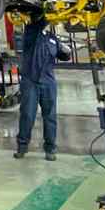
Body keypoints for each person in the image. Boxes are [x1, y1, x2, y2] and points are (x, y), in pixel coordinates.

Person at [14, 12, 70, 160]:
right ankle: (22, 147)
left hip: (48, 82)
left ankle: (50, 149)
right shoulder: (30, 33)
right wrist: (49, 12)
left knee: (50, 116)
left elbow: (63, 55)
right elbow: (38, 24)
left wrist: (67, 51)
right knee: (27, 115)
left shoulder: (52, 38)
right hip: (30, 81)